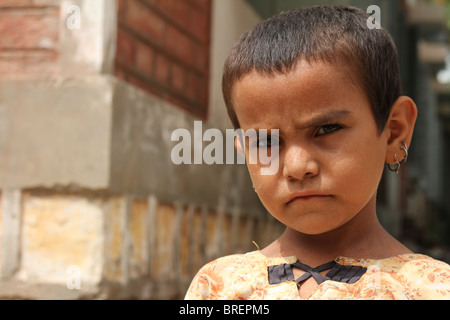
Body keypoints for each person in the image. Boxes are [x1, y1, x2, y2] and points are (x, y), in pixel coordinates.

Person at [185, 5, 450, 300]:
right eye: (266, 143)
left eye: (326, 129)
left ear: (394, 131)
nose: (297, 167)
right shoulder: (218, 287)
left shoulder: (432, 289)